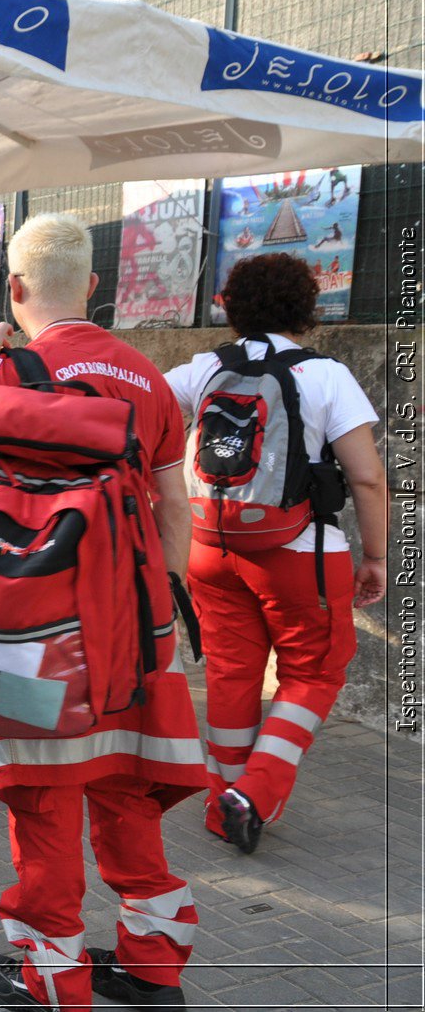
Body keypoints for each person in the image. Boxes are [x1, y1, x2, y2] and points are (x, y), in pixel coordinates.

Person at [0, 214, 208, 1012]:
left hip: (30, 638)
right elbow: (176, 512)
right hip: (137, 637)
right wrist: (162, 608)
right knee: (126, 786)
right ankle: (153, 964)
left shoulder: (4, 373)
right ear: (92, 285)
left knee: (43, 796)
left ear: (14, 289)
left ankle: (53, 975)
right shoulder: (151, 380)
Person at [165, 252, 385, 854]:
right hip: (299, 551)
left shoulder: (205, 369)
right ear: (307, 308)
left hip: (210, 549)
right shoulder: (326, 375)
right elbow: (366, 478)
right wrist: (377, 559)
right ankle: (254, 794)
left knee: (233, 675)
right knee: (315, 671)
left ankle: (223, 804)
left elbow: (144, 415)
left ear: (231, 307)